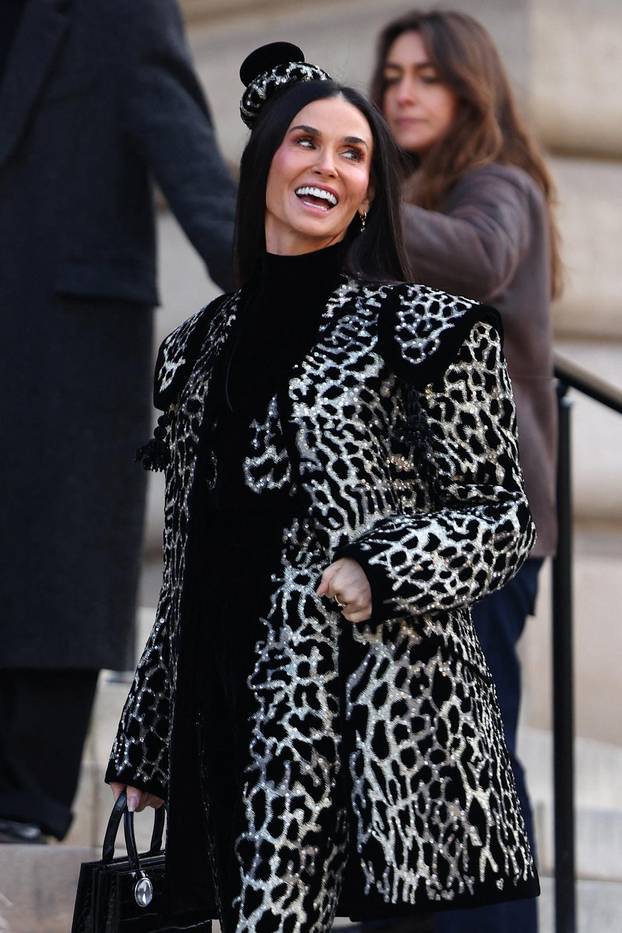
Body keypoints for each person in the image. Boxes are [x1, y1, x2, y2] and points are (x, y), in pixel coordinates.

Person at [106, 42, 540, 933]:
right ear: (265, 162)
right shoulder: (194, 347)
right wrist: (147, 739)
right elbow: (187, 559)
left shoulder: (424, 330)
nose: (327, 167)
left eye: (354, 154)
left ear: (369, 195)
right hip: (217, 692)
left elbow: (503, 519)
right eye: (305, 141)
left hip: (344, 703)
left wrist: (381, 565)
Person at [0, 0, 236, 845]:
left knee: (57, 568)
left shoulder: (122, 12)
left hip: (71, 349)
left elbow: (192, 163)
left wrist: (287, 289)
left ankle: (29, 801)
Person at [370, 10, 560, 933]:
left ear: (471, 87)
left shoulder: (498, 185)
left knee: (466, 762)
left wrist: (353, 205)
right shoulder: (402, 199)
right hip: (404, 521)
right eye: (392, 76)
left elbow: (482, 261)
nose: (403, 92)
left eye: (429, 76)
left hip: (479, 521)